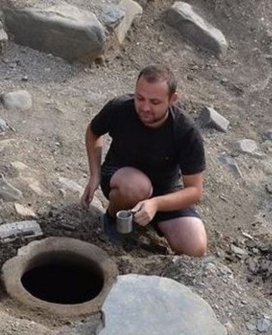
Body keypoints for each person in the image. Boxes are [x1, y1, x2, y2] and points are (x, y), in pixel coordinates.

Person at [80, 65, 207, 256]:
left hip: (164, 191)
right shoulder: (120, 108)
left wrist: (155, 204)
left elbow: (194, 191)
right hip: (122, 179)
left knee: (194, 247)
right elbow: (93, 132)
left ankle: (147, 218)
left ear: (172, 99)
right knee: (137, 186)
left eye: (155, 102)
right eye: (140, 98)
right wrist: (95, 174)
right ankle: (113, 219)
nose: (145, 107)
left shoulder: (185, 131)